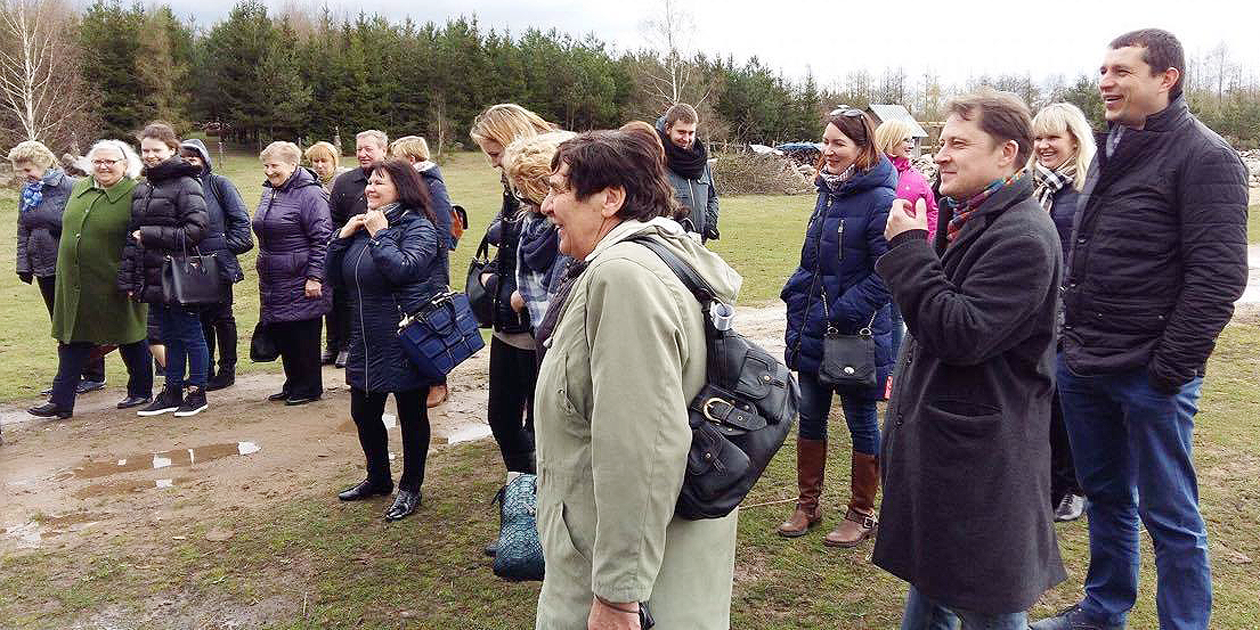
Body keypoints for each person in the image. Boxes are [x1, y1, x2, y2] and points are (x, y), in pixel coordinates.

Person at [1032, 29, 1249, 630]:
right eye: (1103, 70)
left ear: (1166, 78)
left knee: (1171, 516)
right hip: (1085, 364)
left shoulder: (1207, 158)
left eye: (1122, 71)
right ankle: (1104, 610)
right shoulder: (1110, 147)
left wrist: (1169, 370)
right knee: (1106, 498)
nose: (1105, 81)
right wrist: (1070, 348)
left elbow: (1218, 277)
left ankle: (1184, 624)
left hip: (1151, 374)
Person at [873, 89, 1065, 629]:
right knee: (934, 587)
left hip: (984, 462)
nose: (941, 154)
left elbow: (960, 332)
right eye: (940, 141)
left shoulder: (1023, 235)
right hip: (951, 452)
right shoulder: (970, 216)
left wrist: (910, 249)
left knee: (989, 604)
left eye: (959, 143)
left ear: (1007, 153)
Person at [533, 129, 740, 629]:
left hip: (630, 585)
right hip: (651, 562)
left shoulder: (625, 277)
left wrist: (619, 594)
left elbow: (642, 445)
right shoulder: (653, 259)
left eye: (558, 188)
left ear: (611, 198)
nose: (545, 205)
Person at [777, 108, 896, 548]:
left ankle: (861, 513)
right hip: (813, 326)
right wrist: (795, 293)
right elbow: (814, 260)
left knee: (862, 419)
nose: (827, 151)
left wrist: (844, 312)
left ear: (863, 150)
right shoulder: (826, 193)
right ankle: (808, 504)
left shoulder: (881, 199)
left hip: (855, 333)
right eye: (824, 141)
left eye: (838, 144)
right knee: (810, 415)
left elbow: (889, 271)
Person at [326, 158, 445, 522]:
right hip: (364, 337)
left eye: (380, 183)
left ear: (402, 189)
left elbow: (404, 269)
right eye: (369, 183)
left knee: (411, 416)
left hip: (403, 337)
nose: (370, 189)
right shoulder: (362, 225)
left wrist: (381, 234)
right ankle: (378, 478)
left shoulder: (419, 227)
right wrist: (341, 238)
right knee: (364, 413)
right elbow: (333, 276)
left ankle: (411, 486)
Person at [27, 140, 154, 420]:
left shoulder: (136, 193)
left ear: (125, 165)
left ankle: (142, 390)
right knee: (72, 338)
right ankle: (61, 401)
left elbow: (141, 241)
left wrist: (134, 278)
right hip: (74, 282)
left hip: (115, 279)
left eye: (111, 161)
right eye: (98, 161)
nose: (104, 166)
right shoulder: (82, 187)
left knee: (131, 334)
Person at [469, 104, 552, 481]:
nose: (492, 164)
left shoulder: (550, 180)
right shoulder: (512, 188)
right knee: (502, 418)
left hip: (537, 328)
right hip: (508, 323)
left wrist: (519, 290)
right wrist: (494, 277)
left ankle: (540, 513)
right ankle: (523, 502)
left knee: (543, 426)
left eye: (494, 154)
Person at [1029, 102, 1096, 524]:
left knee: (1065, 406)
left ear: (1074, 138)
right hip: (1037, 313)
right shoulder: (1035, 188)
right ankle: (1048, 482)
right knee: (1041, 401)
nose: (1044, 145)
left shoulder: (1085, 191)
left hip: (1069, 317)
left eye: (1053, 137)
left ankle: (1073, 487)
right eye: (1038, 138)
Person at [119, 122, 211, 418]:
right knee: (166, 335)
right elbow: (132, 236)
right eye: (145, 150)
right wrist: (131, 276)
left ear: (172, 149)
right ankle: (172, 390)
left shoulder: (187, 184)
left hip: (180, 273)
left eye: (156, 150)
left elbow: (196, 230)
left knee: (190, 333)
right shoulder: (144, 187)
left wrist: (150, 234)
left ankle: (197, 392)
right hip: (152, 274)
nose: (150, 156)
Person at [9, 140, 107, 396]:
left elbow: (84, 227)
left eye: (27, 169)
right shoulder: (28, 193)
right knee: (60, 323)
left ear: (43, 163)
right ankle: (72, 374)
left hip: (70, 264)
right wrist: (24, 264)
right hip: (42, 265)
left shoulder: (71, 188)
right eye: (20, 171)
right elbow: (23, 229)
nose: (24, 176)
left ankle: (92, 374)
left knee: (78, 321)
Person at [253, 141, 333, 406]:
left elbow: (322, 238)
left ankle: (309, 387)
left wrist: (315, 276)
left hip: (301, 275)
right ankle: (293, 383)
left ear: (292, 165)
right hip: (275, 275)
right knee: (285, 331)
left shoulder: (311, 194)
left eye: (274, 166)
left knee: (303, 333)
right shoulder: (271, 191)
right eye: (266, 165)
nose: (269, 171)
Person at [180, 139, 254, 392]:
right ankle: (204, 368)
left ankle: (227, 369)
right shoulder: (178, 187)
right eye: (184, 157)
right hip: (188, 263)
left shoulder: (219, 184)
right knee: (197, 319)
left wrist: (225, 247)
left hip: (217, 262)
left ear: (203, 158)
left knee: (222, 318)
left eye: (193, 157)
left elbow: (240, 219)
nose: (189, 162)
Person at [389, 135, 457, 408]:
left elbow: (442, 227)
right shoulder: (414, 183)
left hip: (432, 268)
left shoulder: (432, 184)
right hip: (417, 263)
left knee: (434, 323)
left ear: (412, 160)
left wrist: (428, 261)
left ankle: (439, 383)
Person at [874, 119, 939, 366]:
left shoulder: (916, 179)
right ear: (891, 140)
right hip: (873, 254)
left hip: (902, 254)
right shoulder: (873, 171)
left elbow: (931, 213)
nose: (910, 144)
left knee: (895, 315)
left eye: (911, 139)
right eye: (905, 139)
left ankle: (893, 367)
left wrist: (922, 244)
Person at [501, 130, 576, 328]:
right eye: (522, 197)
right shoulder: (532, 223)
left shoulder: (574, 238)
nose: (538, 208)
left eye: (531, 197)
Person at [326, 130, 388, 368]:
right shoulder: (344, 181)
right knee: (340, 299)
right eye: (359, 149)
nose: (362, 154)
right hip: (350, 250)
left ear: (383, 150)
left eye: (368, 149)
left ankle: (355, 348)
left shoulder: (395, 179)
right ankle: (339, 345)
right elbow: (333, 218)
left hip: (381, 251)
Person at [655, 103, 720, 242]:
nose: (686, 139)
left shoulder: (702, 164)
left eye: (691, 133)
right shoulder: (656, 163)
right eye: (681, 132)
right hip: (670, 243)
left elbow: (712, 197)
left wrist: (710, 222)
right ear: (668, 128)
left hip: (699, 243)